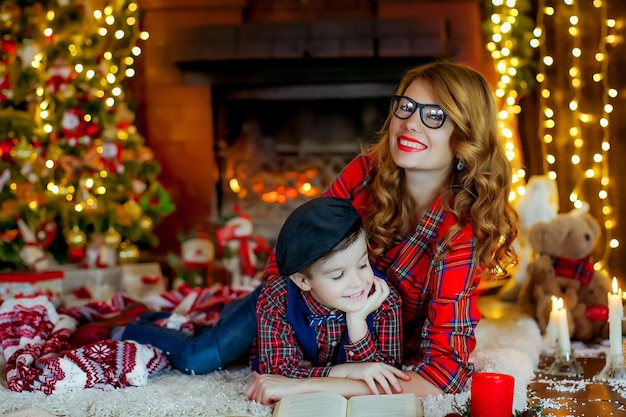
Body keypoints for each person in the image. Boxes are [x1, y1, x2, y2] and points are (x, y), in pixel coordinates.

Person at [245, 60, 518, 404]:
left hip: (375, 344)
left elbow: (443, 375)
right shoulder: (365, 172)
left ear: (465, 137)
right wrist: (282, 331)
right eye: (405, 107)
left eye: (434, 116)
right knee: (211, 348)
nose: (410, 125)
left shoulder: (459, 234)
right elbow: (296, 251)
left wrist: (306, 384)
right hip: (301, 310)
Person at [250, 196, 407, 396]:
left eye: (362, 264)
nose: (358, 282)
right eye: (338, 275)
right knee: (207, 354)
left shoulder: (385, 298)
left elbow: (385, 375)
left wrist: (358, 322)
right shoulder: (277, 297)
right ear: (302, 281)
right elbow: (278, 374)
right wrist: (348, 371)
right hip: (250, 319)